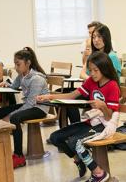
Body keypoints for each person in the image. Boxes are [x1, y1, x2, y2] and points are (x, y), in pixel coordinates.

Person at [37, 51, 119, 182]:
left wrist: (103, 106)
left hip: (105, 125)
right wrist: (49, 96)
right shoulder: (92, 81)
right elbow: (71, 95)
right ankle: (78, 159)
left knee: (76, 142)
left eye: (95, 70)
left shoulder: (112, 86)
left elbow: (109, 117)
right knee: (55, 137)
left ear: (104, 68)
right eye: (90, 70)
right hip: (92, 121)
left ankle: (99, 174)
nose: (91, 74)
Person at [0, 47, 49, 168]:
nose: (16, 67)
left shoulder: (37, 78)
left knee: (15, 117)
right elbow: (14, 87)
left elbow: (31, 104)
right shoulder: (22, 74)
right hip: (29, 105)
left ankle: (19, 156)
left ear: (28, 63)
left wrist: (9, 117)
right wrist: (7, 84)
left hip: (40, 108)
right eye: (15, 64)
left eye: (18, 64)